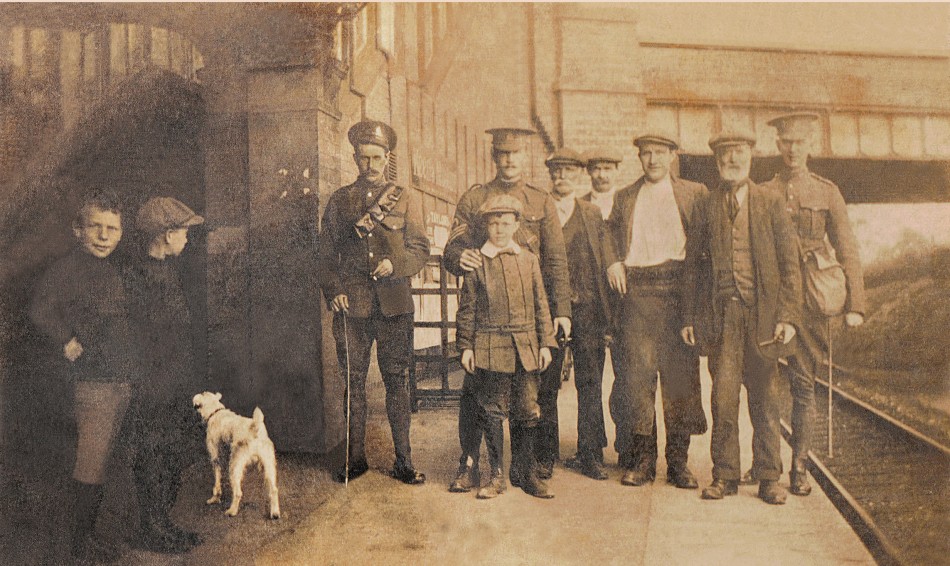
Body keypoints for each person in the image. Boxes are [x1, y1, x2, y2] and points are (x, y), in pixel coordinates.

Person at [741, 112, 866, 495]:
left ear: (811, 144)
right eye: (785, 143)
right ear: (777, 146)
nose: (792, 150)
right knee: (763, 385)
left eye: (799, 142)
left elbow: (847, 249)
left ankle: (799, 466)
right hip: (772, 302)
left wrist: (855, 304)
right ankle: (766, 464)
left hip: (811, 302)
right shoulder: (763, 191)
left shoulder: (827, 192)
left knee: (803, 387)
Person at [444, 127, 571, 492]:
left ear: (525, 156)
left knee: (528, 396)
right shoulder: (475, 198)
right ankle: (469, 465)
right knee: (477, 396)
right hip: (485, 315)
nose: (509, 161)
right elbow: (453, 245)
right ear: (494, 157)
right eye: (502, 154)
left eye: (515, 154)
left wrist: (560, 310)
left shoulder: (540, 201)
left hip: (526, 317)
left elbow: (556, 262)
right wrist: (459, 256)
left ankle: (525, 468)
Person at [680, 129, 801, 505]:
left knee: (765, 399)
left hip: (763, 316)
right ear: (717, 161)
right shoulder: (706, 204)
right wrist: (689, 316)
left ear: (751, 157)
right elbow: (692, 268)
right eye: (725, 155)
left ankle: (768, 477)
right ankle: (725, 475)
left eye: (739, 153)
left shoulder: (770, 201)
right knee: (723, 398)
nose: (732, 160)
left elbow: (789, 265)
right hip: (722, 317)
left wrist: (788, 316)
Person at [317, 120, 430, 485]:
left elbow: (420, 250)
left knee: (398, 383)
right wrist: (333, 291)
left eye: (377, 157)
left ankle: (404, 461)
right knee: (354, 383)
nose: (371, 165)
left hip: (395, 306)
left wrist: (395, 265)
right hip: (353, 308)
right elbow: (324, 253)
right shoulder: (340, 200)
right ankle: (355, 459)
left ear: (387, 157)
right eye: (364, 158)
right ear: (354, 158)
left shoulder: (406, 198)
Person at [30, 190, 138, 562]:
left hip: (120, 379)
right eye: (96, 227)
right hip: (93, 383)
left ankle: (94, 539)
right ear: (78, 230)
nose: (105, 236)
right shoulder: (65, 269)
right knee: (89, 465)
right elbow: (39, 310)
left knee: (110, 463)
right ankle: (78, 549)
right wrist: (66, 339)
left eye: (112, 228)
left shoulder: (111, 270)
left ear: (121, 233)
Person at [605, 132, 708, 488]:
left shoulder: (694, 193)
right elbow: (607, 238)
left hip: (679, 291)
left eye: (660, 153)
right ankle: (643, 461)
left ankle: (678, 463)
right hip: (637, 293)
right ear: (639, 157)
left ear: (672, 156)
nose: (653, 160)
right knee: (637, 379)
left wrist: (697, 309)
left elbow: (706, 247)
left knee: (680, 380)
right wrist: (612, 263)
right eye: (646, 154)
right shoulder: (625, 197)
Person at [456, 194, 556, 499]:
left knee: (527, 408)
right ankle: (497, 474)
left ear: (516, 224)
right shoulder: (477, 262)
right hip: (489, 345)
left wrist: (546, 342)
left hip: (525, 345)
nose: (499, 229)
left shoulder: (528, 260)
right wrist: (466, 346)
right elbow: (467, 309)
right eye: (493, 223)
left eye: (505, 222)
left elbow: (541, 304)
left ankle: (525, 472)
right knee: (493, 410)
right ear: (486, 225)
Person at [123, 196, 206, 553]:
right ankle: (152, 528)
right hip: (152, 382)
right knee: (153, 451)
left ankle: (162, 523)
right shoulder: (137, 276)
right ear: (167, 234)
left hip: (173, 378)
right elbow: (142, 336)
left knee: (171, 450)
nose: (188, 238)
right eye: (184, 231)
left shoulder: (166, 268)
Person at [538, 148, 612, 481]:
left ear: (579, 175)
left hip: (589, 311)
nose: (562, 177)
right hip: (549, 310)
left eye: (568, 171)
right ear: (550, 176)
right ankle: (545, 453)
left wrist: (607, 313)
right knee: (546, 381)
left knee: (590, 382)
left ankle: (591, 454)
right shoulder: (539, 211)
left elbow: (603, 262)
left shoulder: (592, 213)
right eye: (556, 172)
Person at [581, 148, 623, 220]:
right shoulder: (579, 205)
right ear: (588, 171)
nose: (602, 175)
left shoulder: (626, 202)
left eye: (607, 169)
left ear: (617, 171)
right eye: (596, 169)